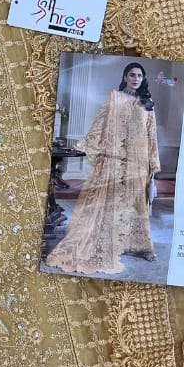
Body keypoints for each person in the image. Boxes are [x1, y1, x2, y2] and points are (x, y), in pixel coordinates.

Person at [45, 62, 160, 276]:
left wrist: (154, 161)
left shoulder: (148, 102)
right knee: (111, 201)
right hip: (115, 158)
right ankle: (109, 243)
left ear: (143, 78)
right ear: (125, 77)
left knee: (136, 203)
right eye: (132, 75)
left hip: (139, 159)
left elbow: (151, 134)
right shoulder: (114, 98)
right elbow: (100, 124)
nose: (135, 78)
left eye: (139, 75)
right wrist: (83, 144)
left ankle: (141, 246)